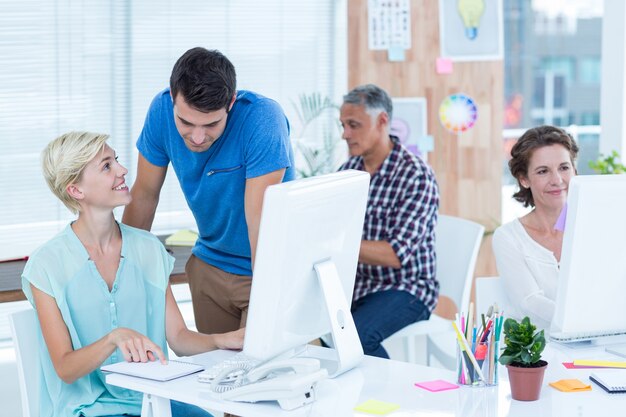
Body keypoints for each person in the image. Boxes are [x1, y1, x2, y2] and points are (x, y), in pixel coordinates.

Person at [23, 131, 244, 417]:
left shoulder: (149, 249)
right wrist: (113, 338)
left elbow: (177, 337)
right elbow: (65, 368)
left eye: (115, 160)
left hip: (153, 400)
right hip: (88, 409)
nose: (122, 170)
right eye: (106, 166)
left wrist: (219, 341)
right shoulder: (46, 265)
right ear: (76, 190)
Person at [122, 47, 295, 335]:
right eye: (186, 122)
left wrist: (271, 298)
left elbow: (260, 222)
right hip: (208, 267)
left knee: (259, 373)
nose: (198, 137)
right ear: (173, 97)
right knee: (213, 375)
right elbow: (144, 196)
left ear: (231, 102)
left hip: (263, 271)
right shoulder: (161, 109)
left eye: (212, 124)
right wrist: (121, 272)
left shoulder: (263, 118)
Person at [338, 84, 440, 358]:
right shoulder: (348, 171)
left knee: (356, 338)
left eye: (354, 125)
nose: (345, 134)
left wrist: (334, 245)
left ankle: (390, 399)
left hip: (407, 288)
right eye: (343, 125)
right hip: (359, 287)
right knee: (305, 329)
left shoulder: (416, 175)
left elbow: (396, 254)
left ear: (382, 121)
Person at [493, 125, 579, 330]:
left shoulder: (593, 228)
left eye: (564, 168)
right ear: (524, 179)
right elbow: (529, 302)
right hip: (536, 354)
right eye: (543, 171)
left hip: (595, 348)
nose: (557, 180)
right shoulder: (508, 237)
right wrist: (584, 320)